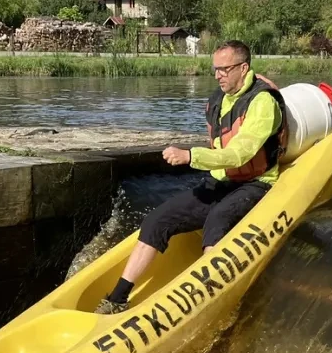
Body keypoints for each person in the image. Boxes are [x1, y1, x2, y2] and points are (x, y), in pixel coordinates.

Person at [95, 40, 287, 315]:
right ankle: (117, 299)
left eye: (224, 69)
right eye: (215, 69)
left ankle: (205, 303)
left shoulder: (263, 103)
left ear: (243, 68)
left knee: (217, 221)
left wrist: (190, 156)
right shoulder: (219, 100)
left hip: (256, 182)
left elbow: (239, 154)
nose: (218, 75)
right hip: (220, 180)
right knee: (157, 220)